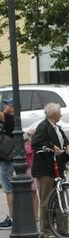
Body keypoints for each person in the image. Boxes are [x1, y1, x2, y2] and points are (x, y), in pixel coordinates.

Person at [32, 103, 69, 238]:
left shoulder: (58, 128)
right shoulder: (43, 127)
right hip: (46, 169)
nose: (61, 115)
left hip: (58, 167)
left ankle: (62, 229)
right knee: (47, 199)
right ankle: (45, 230)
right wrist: (51, 146)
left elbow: (65, 143)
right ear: (54, 115)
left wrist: (68, 148)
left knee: (61, 197)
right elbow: (36, 143)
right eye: (59, 113)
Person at [0, 98, 15, 229]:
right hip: (6, 156)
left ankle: (12, 218)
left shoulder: (10, 118)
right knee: (7, 187)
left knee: (8, 188)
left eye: (8, 104)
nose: (5, 106)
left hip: (6, 158)